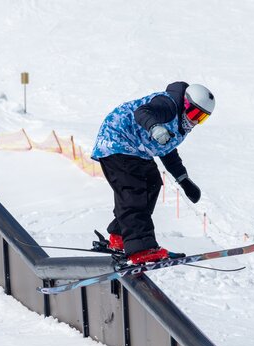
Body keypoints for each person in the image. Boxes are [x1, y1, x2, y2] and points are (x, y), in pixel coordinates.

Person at [91, 82, 214, 264]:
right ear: (185, 104)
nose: (195, 121)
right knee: (134, 190)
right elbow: (142, 113)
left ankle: (120, 237)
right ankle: (141, 247)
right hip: (116, 141)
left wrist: (184, 181)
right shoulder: (168, 104)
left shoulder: (181, 126)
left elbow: (168, 151)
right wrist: (155, 127)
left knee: (152, 183)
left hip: (134, 150)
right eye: (194, 113)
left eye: (202, 118)